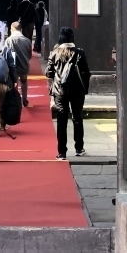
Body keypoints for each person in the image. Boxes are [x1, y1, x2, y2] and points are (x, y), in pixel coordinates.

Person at [46, 26, 91, 160]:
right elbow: (86, 72)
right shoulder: (79, 53)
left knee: (61, 120)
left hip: (60, 91)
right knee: (77, 118)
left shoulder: (54, 53)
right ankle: (79, 148)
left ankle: (62, 152)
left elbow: (49, 73)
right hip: (77, 91)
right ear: (72, 38)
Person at [4, 21, 33, 107]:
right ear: (21, 29)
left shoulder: (9, 40)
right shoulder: (27, 40)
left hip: (13, 66)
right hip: (24, 66)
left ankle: (16, 99)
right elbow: (30, 55)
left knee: (14, 82)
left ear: (12, 29)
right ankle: (24, 99)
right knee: (24, 81)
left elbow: (6, 54)